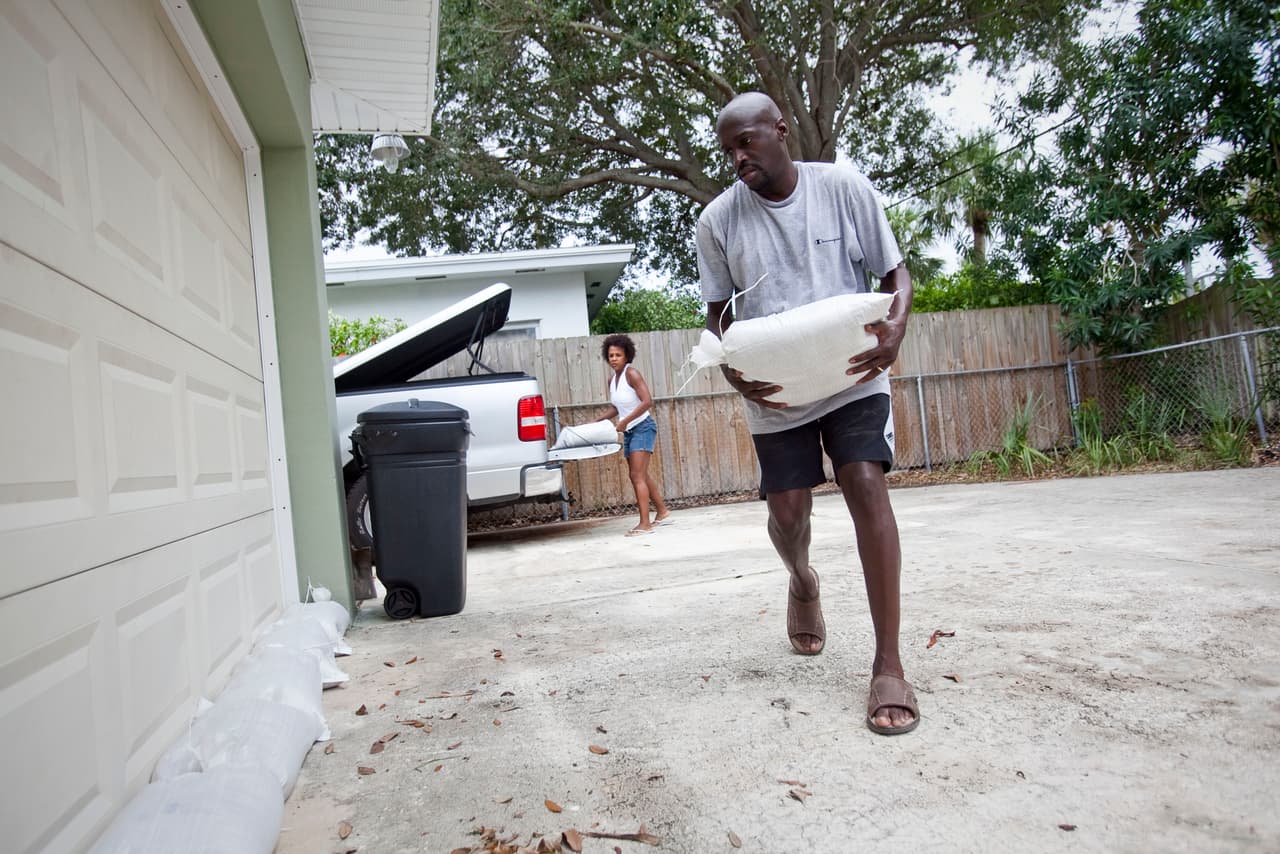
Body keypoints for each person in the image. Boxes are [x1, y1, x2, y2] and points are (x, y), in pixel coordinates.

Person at [696, 92, 918, 735]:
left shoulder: (844, 188)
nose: (738, 158)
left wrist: (896, 327)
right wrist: (735, 369)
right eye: (728, 150)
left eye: (747, 142)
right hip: (777, 389)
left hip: (852, 375)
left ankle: (888, 664)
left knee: (866, 484)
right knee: (788, 514)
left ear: (780, 130)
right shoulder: (718, 221)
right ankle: (801, 580)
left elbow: (895, 275)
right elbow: (717, 315)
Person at [596, 333, 670, 536]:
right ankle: (662, 511)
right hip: (629, 430)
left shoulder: (632, 374)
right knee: (641, 474)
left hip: (642, 427)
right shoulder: (612, 380)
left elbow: (647, 401)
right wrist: (598, 421)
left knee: (636, 475)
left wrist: (625, 421)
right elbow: (616, 407)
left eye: (618, 355)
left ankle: (645, 524)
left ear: (626, 355)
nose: (613, 359)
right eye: (610, 355)